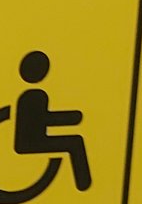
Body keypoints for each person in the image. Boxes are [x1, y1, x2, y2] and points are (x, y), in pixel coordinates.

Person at [13, 49, 91, 190]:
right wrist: (72, 118)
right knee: (75, 142)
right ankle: (83, 183)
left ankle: (84, 184)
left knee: (74, 141)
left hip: (32, 139)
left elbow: (41, 120)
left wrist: (72, 119)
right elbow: (42, 120)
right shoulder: (36, 96)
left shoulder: (27, 95)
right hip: (32, 142)